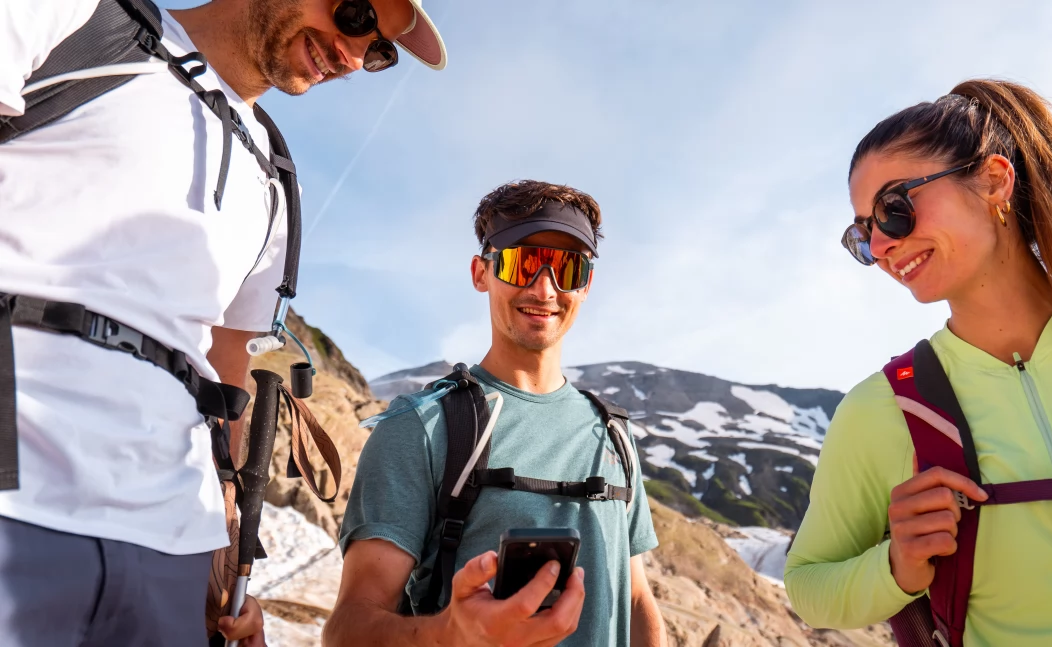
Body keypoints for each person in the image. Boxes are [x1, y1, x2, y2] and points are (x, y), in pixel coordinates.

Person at [0, 0, 446, 645]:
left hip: (169, 550)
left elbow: (225, 365)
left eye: (378, 53)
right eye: (355, 15)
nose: (353, 56)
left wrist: (221, 554)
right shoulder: (78, 20)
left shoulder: (274, 179)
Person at [784, 79, 1052, 646]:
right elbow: (809, 587)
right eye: (863, 233)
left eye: (894, 208)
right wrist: (898, 564)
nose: (881, 245)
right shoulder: (881, 409)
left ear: (995, 180)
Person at [326, 180, 665, 647]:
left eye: (567, 267)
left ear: (585, 284)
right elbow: (348, 630)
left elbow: (636, 600)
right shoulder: (421, 428)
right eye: (523, 262)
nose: (544, 288)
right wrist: (450, 633)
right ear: (481, 272)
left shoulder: (613, 435)